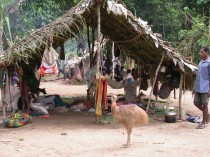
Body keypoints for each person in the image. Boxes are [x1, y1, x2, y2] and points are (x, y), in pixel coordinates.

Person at [193, 46, 210, 129]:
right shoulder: (200, 62)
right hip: (198, 86)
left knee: (205, 104)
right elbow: (200, 75)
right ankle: (208, 115)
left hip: (205, 87)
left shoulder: (209, 62)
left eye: (202, 52)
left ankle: (203, 122)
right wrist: (196, 73)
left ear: (206, 52)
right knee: (196, 102)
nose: (200, 54)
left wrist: (209, 90)